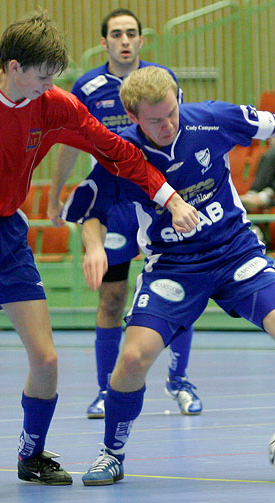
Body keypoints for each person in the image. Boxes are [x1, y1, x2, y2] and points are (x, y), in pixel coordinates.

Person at [64, 66, 275, 485]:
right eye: (155, 120)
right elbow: (91, 212)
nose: (167, 124)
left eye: (171, 112)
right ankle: (111, 453)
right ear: (134, 117)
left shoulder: (210, 118)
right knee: (133, 358)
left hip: (234, 251)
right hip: (173, 266)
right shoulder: (122, 154)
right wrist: (95, 247)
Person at [0, 11, 196, 485]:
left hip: (8, 231)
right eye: (42, 76)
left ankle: (32, 455)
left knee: (46, 359)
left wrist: (168, 195)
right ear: (14, 67)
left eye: (53, 78)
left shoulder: (52, 104)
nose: (48, 86)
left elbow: (115, 151)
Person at [47, 8, 201, 419]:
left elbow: (180, 129)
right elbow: (69, 143)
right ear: (105, 43)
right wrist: (57, 193)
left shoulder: (161, 79)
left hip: (158, 197)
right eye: (117, 34)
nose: (125, 41)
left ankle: (179, 381)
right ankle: (105, 390)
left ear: (141, 40)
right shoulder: (88, 86)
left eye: (131, 33)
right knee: (112, 298)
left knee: (178, 292)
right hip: (114, 204)